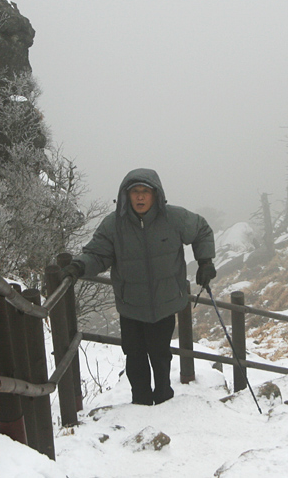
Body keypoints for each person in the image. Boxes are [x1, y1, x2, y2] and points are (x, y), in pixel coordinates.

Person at [61, 168, 216, 405]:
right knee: (134, 357)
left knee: (160, 354)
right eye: (135, 192)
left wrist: (205, 261)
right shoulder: (114, 225)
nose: (140, 197)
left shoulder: (173, 218)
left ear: (156, 195)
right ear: (126, 195)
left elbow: (202, 230)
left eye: (145, 191)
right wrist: (79, 267)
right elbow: (97, 254)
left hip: (164, 303)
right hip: (131, 304)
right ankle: (140, 401)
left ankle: (164, 396)